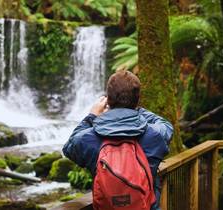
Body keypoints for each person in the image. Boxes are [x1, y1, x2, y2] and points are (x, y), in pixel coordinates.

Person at [63, 70, 173, 210]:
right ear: (137, 99)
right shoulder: (154, 135)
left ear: (108, 99)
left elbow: (69, 147)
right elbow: (166, 125)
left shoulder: (88, 139)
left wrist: (91, 116)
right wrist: (136, 109)